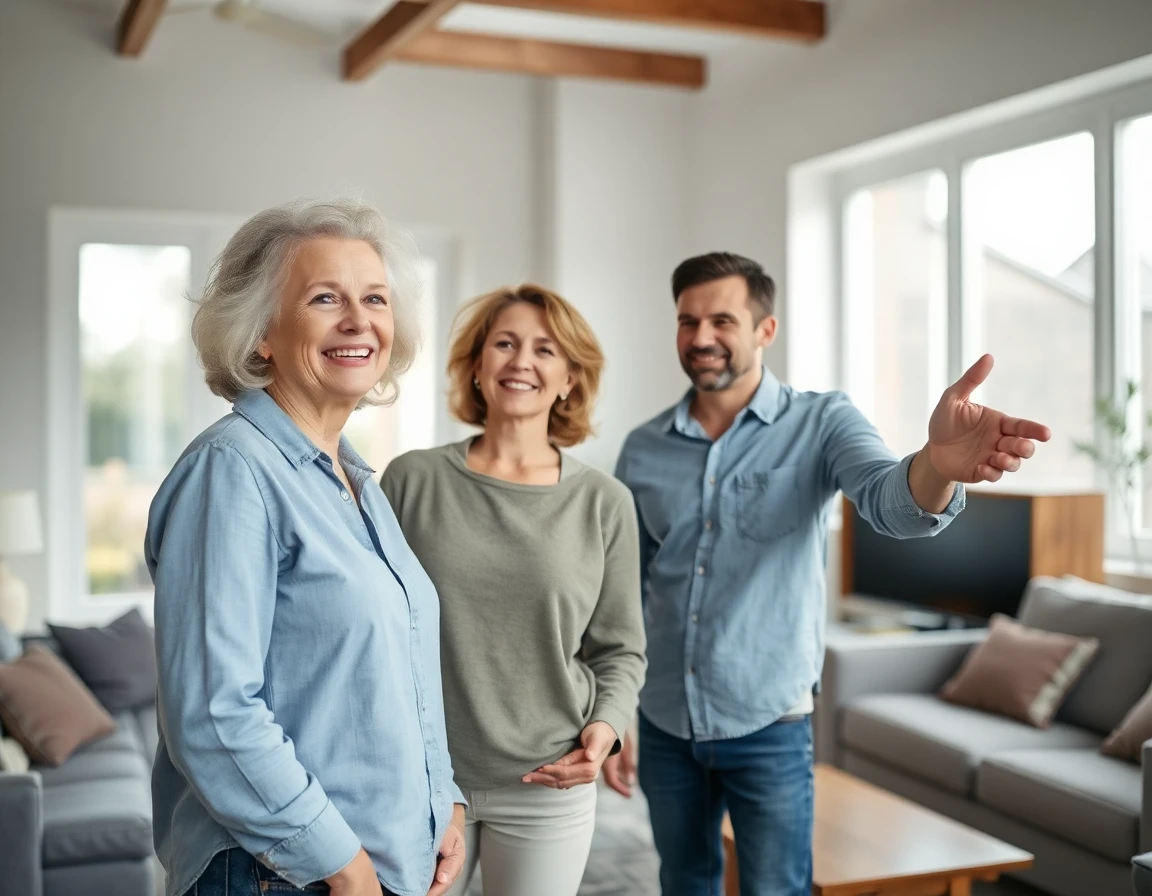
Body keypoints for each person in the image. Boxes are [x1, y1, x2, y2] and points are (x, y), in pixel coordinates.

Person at [604, 252, 1051, 896]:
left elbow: (889, 501)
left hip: (768, 722)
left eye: (722, 320)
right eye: (687, 321)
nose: (700, 337)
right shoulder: (643, 447)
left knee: (777, 888)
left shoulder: (821, 422)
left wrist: (938, 464)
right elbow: (630, 586)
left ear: (765, 330)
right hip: (665, 717)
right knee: (683, 882)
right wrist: (615, 705)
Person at [146, 198, 465, 896]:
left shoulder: (355, 480)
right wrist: (342, 866)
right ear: (261, 332)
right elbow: (214, 713)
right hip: (283, 876)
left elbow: (402, 663)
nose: (359, 321)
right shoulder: (233, 472)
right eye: (326, 298)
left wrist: (446, 801)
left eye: (374, 298)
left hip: (380, 866)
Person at [379, 283, 647, 896]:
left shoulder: (604, 503)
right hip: (419, 778)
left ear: (570, 379)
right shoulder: (411, 481)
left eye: (545, 350)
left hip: (546, 782)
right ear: (477, 367)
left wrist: (606, 729)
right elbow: (375, 629)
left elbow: (620, 648)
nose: (521, 360)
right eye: (504, 343)